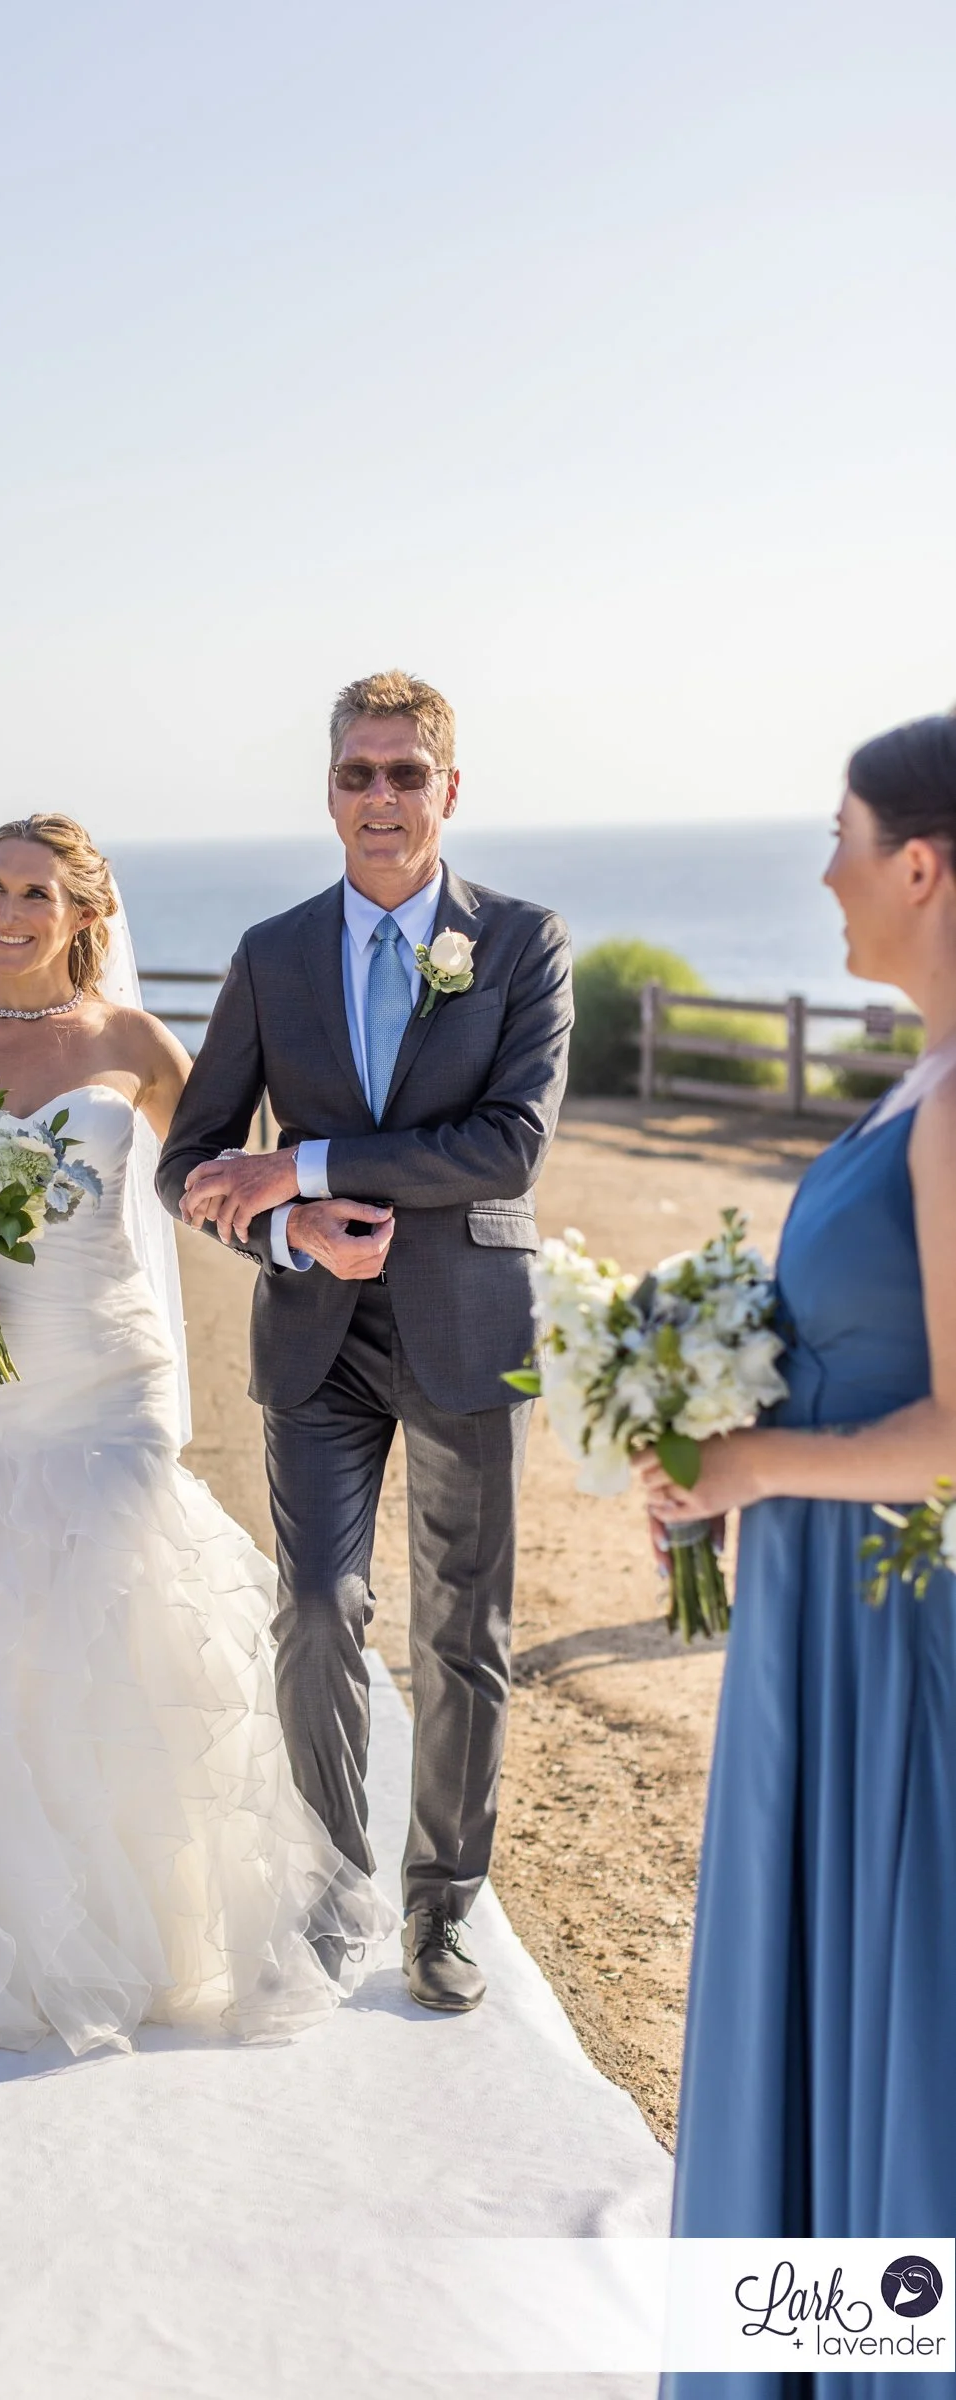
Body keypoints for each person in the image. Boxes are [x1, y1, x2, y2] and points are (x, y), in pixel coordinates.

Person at [0, 813, 395, 2054]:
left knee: (121, 1607)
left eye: (34, 892)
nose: (5, 912)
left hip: (108, 1364)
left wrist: (298, 1226)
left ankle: (153, 1930)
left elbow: (210, 1182)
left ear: (85, 913)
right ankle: (3, 1939)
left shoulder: (133, 1044)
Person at [157, 670, 573, 2014]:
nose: (380, 796)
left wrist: (307, 1164)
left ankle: (440, 1905)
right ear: (328, 790)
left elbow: (508, 1145)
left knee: (461, 1628)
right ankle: (332, 1879)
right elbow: (190, 1163)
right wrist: (286, 1230)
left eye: (405, 773)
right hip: (315, 1335)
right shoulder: (272, 953)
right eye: (357, 773)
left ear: (449, 790)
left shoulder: (521, 943)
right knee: (317, 1605)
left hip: (469, 1325)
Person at [644, 714, 956, 2400]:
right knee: (831, 1991)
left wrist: (751, 1461)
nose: (823, 872)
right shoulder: (918, 1080)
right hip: (819, 1602)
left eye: (840, 836)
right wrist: (715, 1439)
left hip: (894, 1629)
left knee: (894, 2000)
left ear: (920, 865)